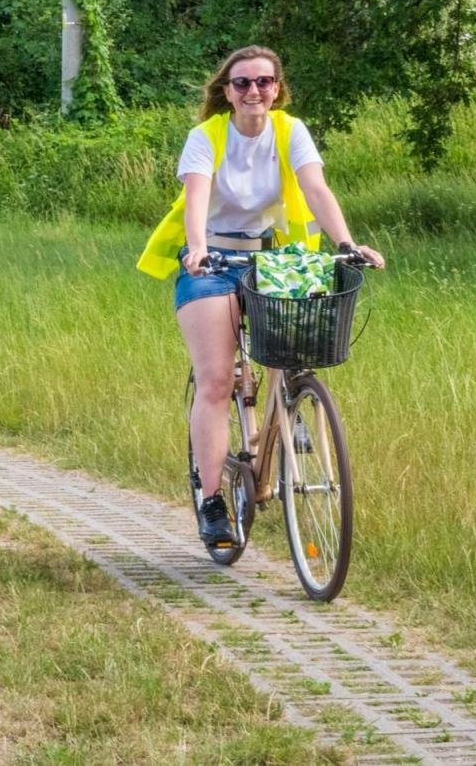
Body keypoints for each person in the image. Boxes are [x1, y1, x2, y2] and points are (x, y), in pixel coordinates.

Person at [138, 46, 385, 548]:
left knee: (290, 341)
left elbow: (316, 189)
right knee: (215, 380)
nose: (254, 91)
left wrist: (346, 243)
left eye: (264, 82)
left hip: (268, 257)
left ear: (277, 89)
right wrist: (198, 248)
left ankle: (286, 411)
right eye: (242, 83)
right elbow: (197, 195)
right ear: (227, 92)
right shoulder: (206, 136)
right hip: (213, 260)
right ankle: (212, 501)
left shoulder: (291, 132)